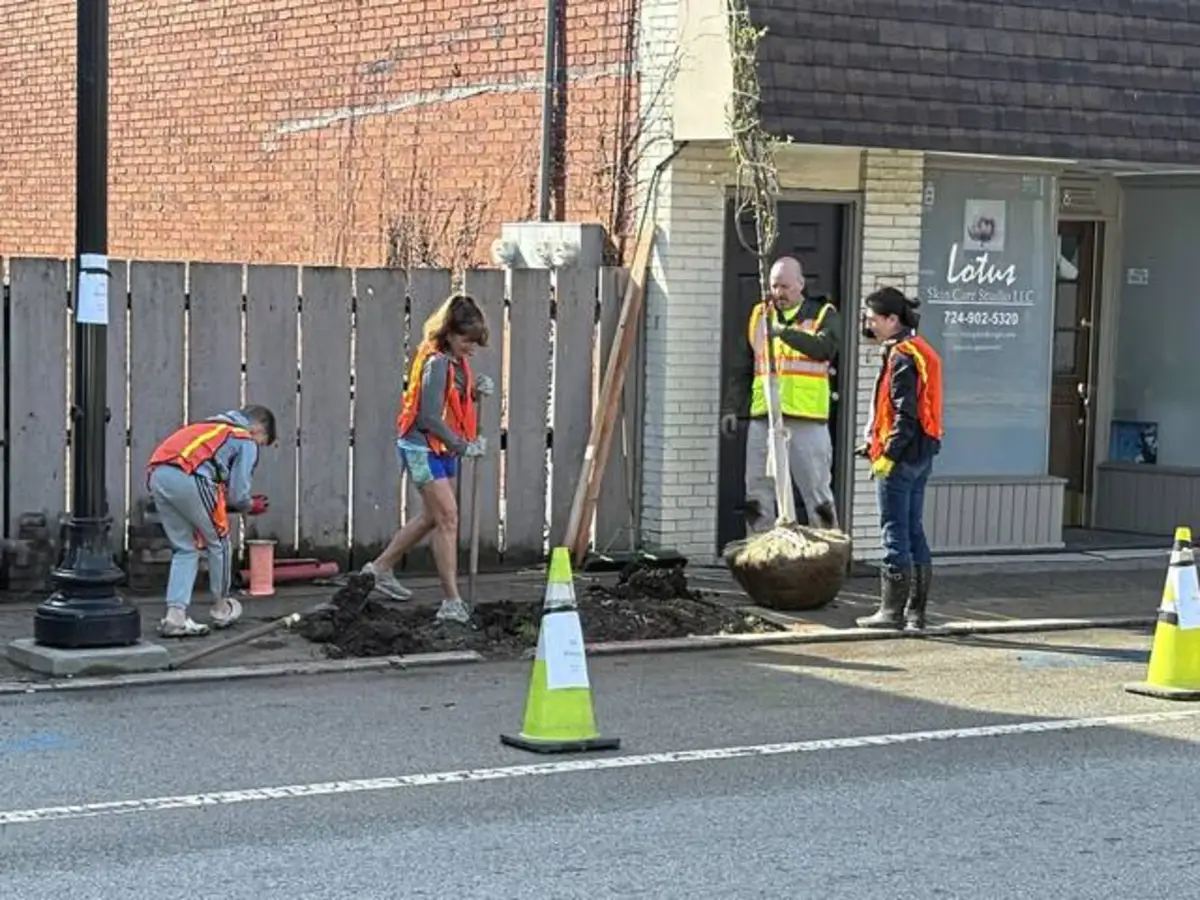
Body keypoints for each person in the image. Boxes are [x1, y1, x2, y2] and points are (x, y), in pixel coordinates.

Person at [360, 293, 493, 625]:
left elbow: (453, 397)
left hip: (441, 447)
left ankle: (378, 570)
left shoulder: (454, 361)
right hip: (421, 448)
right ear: (449, 332)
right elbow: (428, 417)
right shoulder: (436, 363)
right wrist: (462, 446)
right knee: (448, 518)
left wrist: (476, 391)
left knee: (434, 517)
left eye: (475, 342)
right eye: (467, 340)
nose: (471, 348)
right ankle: (451, 601)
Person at [721, 255, 841, 533]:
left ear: (801, 284)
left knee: (817, 494)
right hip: (764, 416)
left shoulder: (822, 313)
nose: (779, 293)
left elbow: (825, 349)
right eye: (775, 286)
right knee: (757, 493)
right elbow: (743, 365)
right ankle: (760, 549)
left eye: (785, 286)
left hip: (806, 417)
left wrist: (783, 333)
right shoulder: (760, 315)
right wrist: (732, 407)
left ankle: (829, 550)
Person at [854, 287, 944, 631]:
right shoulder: (919, 349)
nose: (869, 325)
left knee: (894, 533)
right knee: (914, 530)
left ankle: (890, 612)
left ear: (892, 319)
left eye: (873, 319)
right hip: (922, 454)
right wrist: (873, 443)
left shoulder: (901, 357)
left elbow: (905, 415)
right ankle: (916, 614)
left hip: (901, 458)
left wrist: (887, 455)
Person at [146, 405, 276, 637]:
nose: (258, 446)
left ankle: (175, 618)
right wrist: (249, 505)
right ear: (258, 429)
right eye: (262, 442)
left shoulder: (208, 427)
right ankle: (222, 608)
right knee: (220, 543)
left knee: (185, 548)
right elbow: (237, 495)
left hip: (158, 475)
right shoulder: (244, 438)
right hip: (192, 476)